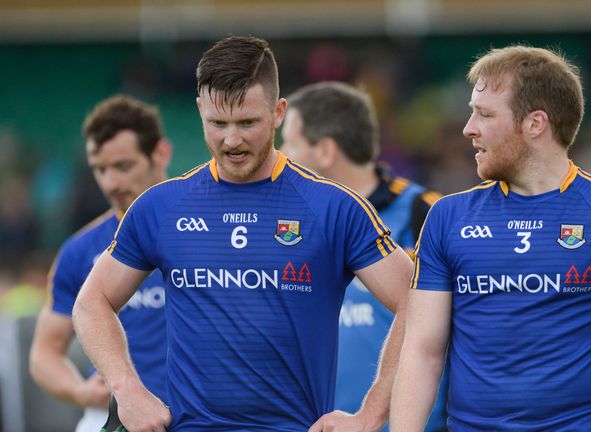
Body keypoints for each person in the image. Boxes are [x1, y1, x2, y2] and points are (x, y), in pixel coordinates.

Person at [72, 36, 413, 432]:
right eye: (218, 123)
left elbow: (414, 301)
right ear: (200, 110)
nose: (231, 140)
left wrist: (371, 414)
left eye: (247, 123)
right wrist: (127, 388)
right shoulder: (160, 206)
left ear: (278, 112)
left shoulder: (335, 208)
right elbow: (91, 302)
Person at [391, 45, 591, 431]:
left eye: (485, 114)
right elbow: (422, 352)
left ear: (535, 124)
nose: (468, 128)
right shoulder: (448, 217)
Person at [280, 81, 446, 431]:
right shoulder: (287, 225)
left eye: (289, 143)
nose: (279, 156)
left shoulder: (430, 215)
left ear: (324, 151)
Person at [29, 95, 171, 432]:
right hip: (111, 417)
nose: (110, 183)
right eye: (99, 169)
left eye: (123, 166)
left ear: (161, 153)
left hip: (198, 415)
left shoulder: (205, 231)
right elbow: (44, 354)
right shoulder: (79, 250)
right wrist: (80, 391)